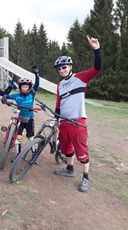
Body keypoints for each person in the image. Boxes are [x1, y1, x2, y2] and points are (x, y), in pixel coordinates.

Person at [54, 35, 102, 192]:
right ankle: (69, 169)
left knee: (81, 151)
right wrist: (56, 119)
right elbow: (58, 103)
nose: (62, 70)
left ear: (70, 67)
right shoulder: (60, 85)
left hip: (78, 122)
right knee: (66, 147)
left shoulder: (80, 78)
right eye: (59, 68)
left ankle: (86, 178)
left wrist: (97, 50)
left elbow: (97, 68)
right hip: (64, 122)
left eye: (64, 67)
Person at [1, 67, 40, 156]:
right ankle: (18, 156)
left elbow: (37, 85)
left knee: (31, 138)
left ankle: (34, 154)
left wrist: (37, 75)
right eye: (23, 86)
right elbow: (5, 96)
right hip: (20, 119)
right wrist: (4, 98)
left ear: (29, 87)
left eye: (26, 86)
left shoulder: (32, 94)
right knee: (17, 138)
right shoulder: (16, 95)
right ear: (20, 87)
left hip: (30, 119)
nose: (25, 88)